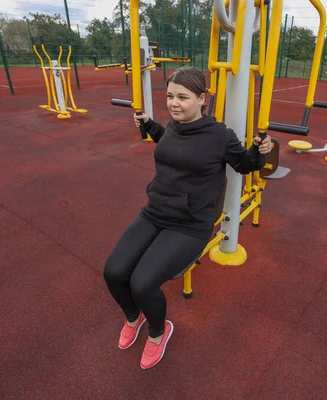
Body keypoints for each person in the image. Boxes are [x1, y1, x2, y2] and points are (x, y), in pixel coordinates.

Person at [103, 66, 272, 370]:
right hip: (156, 211)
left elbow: (245, 165)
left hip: (190, 224)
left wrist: (260, 151)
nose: (174, 103)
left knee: (142, 283)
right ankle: (134, 317)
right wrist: (150, 125)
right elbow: (168, 142)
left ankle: (158, 332)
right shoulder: (173, 126)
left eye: (183, 97)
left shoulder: (219, 135)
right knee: (114, 272)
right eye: (170, 96)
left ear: (202, 99)